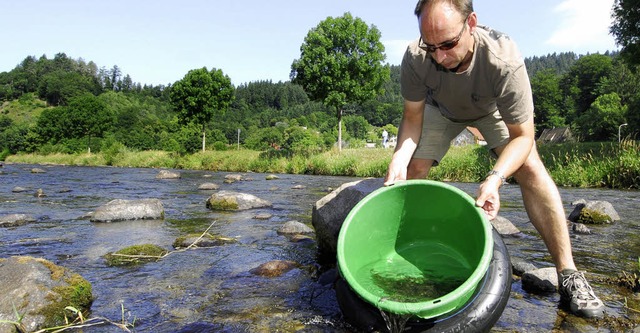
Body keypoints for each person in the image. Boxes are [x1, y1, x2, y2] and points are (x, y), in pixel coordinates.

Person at [384, 0, 605, 318]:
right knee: (414, 167)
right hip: (440, 111)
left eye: (448, 44)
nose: (440, 56)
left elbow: (524, 138)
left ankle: (569, 273)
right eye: (431, 46)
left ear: (470, 23)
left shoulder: (504, 59)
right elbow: (412, 118)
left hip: (491, 110)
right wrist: (400, 157)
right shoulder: (417, 55)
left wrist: (495, 178)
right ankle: (410, 253)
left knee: (529, 166)